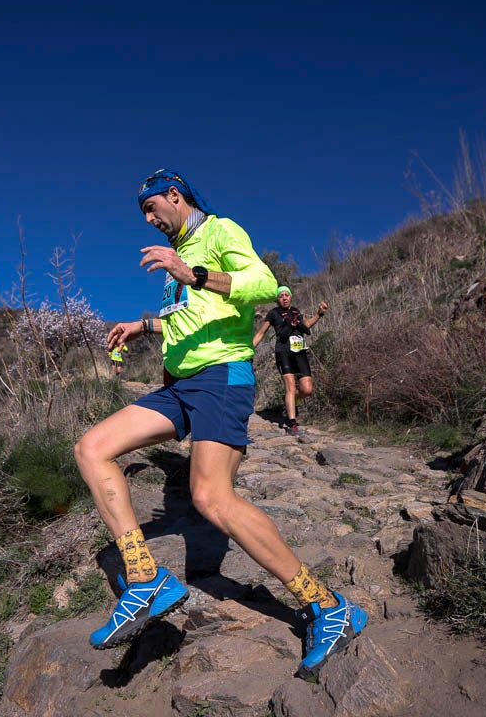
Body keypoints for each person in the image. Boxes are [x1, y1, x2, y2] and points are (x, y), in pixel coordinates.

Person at [73, 169, 367, 679]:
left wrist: (194, 273)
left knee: (211, 498)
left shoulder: (218, 231)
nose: (148, 219)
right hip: (180, 385)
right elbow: (191, 316)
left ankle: (327, 605)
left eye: (151, 208)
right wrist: (144, 326)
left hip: (222, 376)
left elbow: (263, 284)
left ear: (174, 195)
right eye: (143, 214)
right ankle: (145, 580)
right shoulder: (177, 257)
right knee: (91, 448)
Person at [252, 285, 329, 435]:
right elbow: (261, 333)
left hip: (300, 352)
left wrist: (319, 314)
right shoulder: (273, 313)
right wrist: (250, 349)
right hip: (283, 352)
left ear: (290, 297)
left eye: (286, 295)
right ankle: (292, 424)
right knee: (290, 387)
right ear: (277, 300)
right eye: (281, 296)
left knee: (307, 389)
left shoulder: (296, 311)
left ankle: (291, 400)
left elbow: (306, 324)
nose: (284, 298)